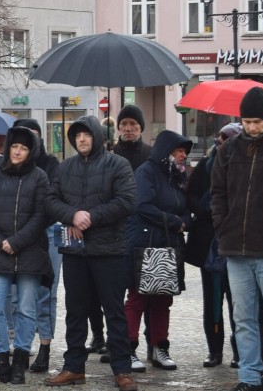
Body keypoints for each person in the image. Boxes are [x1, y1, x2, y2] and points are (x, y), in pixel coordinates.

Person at [44, 115, 138, 391]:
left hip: (109, 250)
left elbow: (127, 200)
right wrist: (72, 215)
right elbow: (50, 199)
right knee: (75, 310)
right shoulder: (66, 167)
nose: (81, 139)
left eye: (86, 134)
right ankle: (74, 366)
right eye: (77, 135)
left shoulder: (118, 164)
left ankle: (122, 369)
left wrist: (90, 218)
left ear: (97, 136)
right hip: (75, 252)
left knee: (114, 311)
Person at [211, 87, 263, 391]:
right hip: (235, 249)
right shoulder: (228, 150)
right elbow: (217, 194)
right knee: (243, 320)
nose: (251, 127)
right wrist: (222, 226)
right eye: (246, 121)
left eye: (257, 121)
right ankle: (250, 377)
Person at [0, 125, 51, 384]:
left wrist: (17, 242)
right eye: (15, 146)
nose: (18, 152)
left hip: (30, 252)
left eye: (24, 148)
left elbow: (42, 214)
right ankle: (0, 361)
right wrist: (1, 242)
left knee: (27, 309)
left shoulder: (40, 176)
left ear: (31, 151)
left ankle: (19, 361)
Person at [124, 130, 193, 372]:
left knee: (163, 298)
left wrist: (184, 220)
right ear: (167, 151)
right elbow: (143, 205)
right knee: (137, 298)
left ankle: (159, 347)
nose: (184, 155)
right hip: (145, 245)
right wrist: (176, 222)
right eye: (179, 150)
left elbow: (185, 207)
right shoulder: (146, 172)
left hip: (169, 245)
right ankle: (128, 349)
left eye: (185, 151)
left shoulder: (178, 176)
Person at [93, 104, 153, 362]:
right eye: (124, 125)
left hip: (143, 229)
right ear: (118, 128)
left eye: (134, 125)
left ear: (141, 128)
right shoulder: (108, 155)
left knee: (147, 290)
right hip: (113, 229)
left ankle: (154, 343)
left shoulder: (151, 156)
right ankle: (116, 342)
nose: (128, 129)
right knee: (114, 292)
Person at [7, 119, 62, 375]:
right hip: (16, 237)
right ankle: (21, 345)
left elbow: (51, 204)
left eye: (33, 137)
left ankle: (45, 347)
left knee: (45, 293)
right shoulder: (5, 166)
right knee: (17, 295)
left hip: (46, 233)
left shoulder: (51, 166)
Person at [186, 123, 242, 369]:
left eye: (226, 140)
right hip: (208, 242)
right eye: (219, 141)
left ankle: (239, 351)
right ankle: (214, 350)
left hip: (237, 243)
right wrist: (208, 209)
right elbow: (191, 195)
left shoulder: (243, 166)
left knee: (238, 302)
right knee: (212, 300)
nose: (221, 145)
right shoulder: (205, 166)